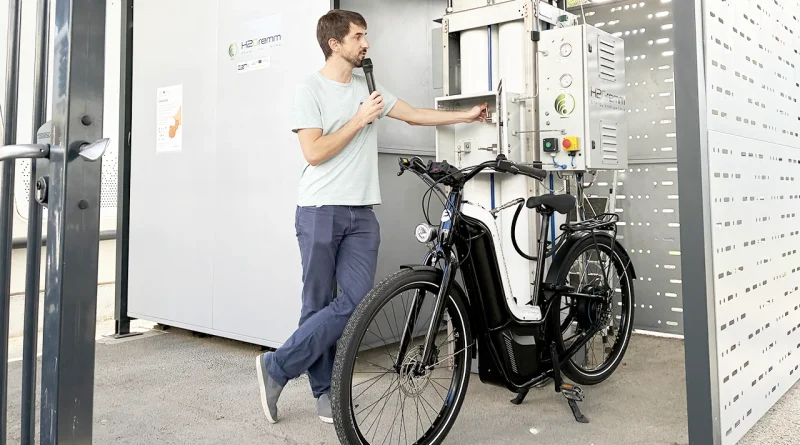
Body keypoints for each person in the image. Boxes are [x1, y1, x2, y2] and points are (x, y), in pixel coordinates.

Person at [256, 9, 488, 425]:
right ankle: (324, 392)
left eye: (366, 36)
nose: (366, 43)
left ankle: (277, 366)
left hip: (362, 213)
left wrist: (465, 116)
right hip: (319, 209)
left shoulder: (369, 85)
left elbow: (414, 113)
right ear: (335, 43)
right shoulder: (309, 89)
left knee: (356, 303)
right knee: (316, 306)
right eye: (359, 36)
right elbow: (314, 152)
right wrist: (359, 119)